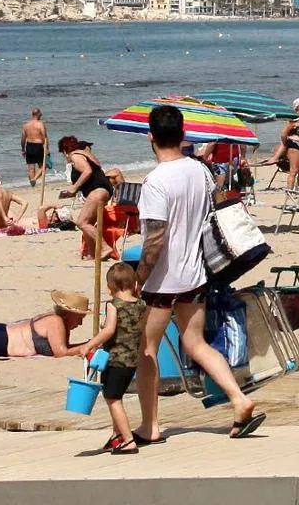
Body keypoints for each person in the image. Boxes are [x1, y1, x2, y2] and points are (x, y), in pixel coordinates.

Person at [134, 104, 264, 443]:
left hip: (164, 279)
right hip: (195, 273)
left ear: (150, 136)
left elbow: (155, 239)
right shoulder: (200, 171)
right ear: (183, 135)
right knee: (195, 343)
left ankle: (150, 425)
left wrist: (140, 277)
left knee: (145, 348)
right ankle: (240, 398)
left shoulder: (155, 182)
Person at [80, 264, 146, 455]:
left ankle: (128, 439)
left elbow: (109, 330)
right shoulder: (141, 304)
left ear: (111, 288)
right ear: (134, 284)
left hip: (116, 360)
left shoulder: (113, 305)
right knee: (116, 394)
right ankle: (117, 434)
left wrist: (89, 345)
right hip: (133, 360)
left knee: (113, 398)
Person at [58, 136, 114, 258]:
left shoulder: (75, 156)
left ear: (64, 151)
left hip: (98, 190)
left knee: (81, 222)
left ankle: (105, 248)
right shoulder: (85, 154)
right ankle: (91, 253)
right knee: (88, 223)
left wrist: (74, 187)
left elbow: (87, 171)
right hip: (102, 190)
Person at [20, 109, 48, 186]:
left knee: (31, 167)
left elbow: (23, 139)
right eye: (40, 114)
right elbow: (44, 136)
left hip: (29, 146)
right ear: (38, 114)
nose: (41, 115)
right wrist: (47, 148)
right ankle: (34, 179)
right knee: (43, 166)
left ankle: (33, 185)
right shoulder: (40, 124)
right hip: (38, 146)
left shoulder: (26, 125)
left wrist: (23, 149)